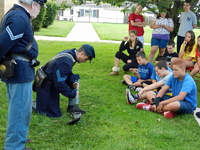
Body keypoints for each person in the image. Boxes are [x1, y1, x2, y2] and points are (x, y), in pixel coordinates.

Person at [0, 0, 47, 149]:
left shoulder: (17, 14)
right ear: (33, 4)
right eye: (40, 7)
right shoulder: (20, 17)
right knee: (20, 111)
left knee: (18, 109)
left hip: (18, 69)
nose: (39, 11)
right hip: (19, 71)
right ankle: (14, 146)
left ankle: (17, 138)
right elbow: (3, 43)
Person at [34, 44, 95, 118]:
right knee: (54, 115)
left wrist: (72, 83)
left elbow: (66, 73)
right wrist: (72, 93)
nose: (85, 61)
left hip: (49, 84)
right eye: (86, 59)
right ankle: (35, 105)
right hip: (46, 88)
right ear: (82, 54)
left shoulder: (69, 53)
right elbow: (59, 84)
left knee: (54, 112)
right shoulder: (66, 61)